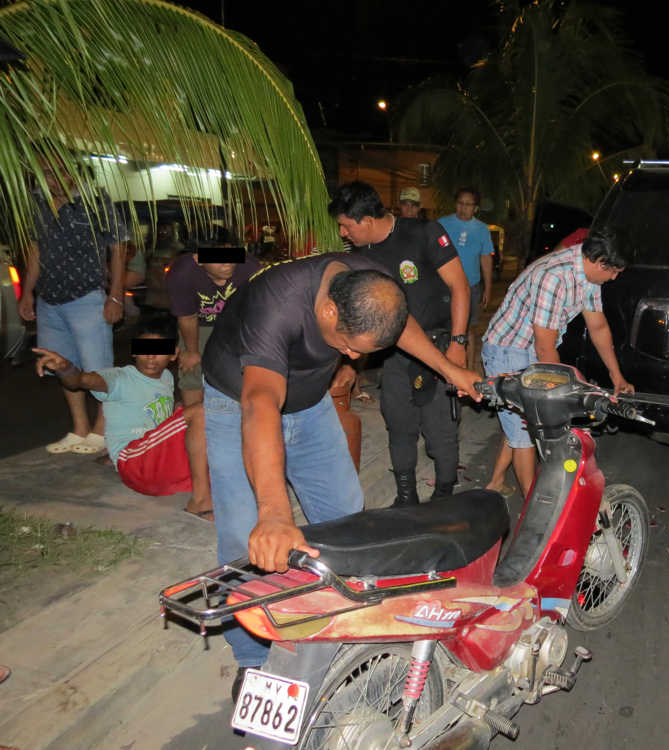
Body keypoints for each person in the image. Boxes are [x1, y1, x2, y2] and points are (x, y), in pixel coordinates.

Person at [200, 252, 479, 695]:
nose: (350, 356)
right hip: (239, 401)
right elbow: (260, 404)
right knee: (244, 537)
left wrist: (449, 369)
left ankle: (341, 628)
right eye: (349, 344)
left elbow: (398, 323)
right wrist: (274, 513)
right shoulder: (279, 302)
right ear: (329, 310)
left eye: (362, 350)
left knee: (348, 514)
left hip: (310, 404)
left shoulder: (374, 283)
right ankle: (252, 659)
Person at [332, 181, 471, 506]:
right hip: (393, 354)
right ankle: (405, 496)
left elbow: (460, 287)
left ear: (365, 220)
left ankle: (443, 498)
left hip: (439, 347)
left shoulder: (424, 232)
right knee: (399, 425)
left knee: (441, 432)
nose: (343, 233)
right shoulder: (359, 254)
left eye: (346, 225)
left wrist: (458, 342)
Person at [481, 228, 634, 496]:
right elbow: (545, 348)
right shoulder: (554, 276)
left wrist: (616, 376)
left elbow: (598, 328)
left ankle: (495, 481)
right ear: (599, 262)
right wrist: (568, 386)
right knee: (524, 432)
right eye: (613, 272)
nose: (614, 278)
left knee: (521, 417)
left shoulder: (588, 276)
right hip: (509, 349)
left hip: (533, 346)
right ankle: (534, 512)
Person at [31, 317, 212, 514]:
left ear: (174, 354)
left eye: (160, 349)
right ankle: (201, 502)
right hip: (135, 464)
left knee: (210, 416)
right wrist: (66, 369)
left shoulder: (166, 378)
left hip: (156, 466)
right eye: (144, 348)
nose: (150, 356)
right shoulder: (119, 378)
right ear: (134, 350)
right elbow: (81, 380)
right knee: (199, 411)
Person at [17, 161, 129, 455]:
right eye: (49, 173)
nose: (55, 180)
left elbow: (118, 248)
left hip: (87, 298)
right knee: (61, 366)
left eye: (61, 172)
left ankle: (102, 431)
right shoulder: (36, 204)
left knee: (99, 368)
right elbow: (35, 251)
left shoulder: (96, 201)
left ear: (75, 172)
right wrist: (27, 293)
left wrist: (115, 296)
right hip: (49, 301)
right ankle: (79, 429)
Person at [166, 244, 260, 408]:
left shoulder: (250, 267)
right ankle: (193, 418)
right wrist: (192, 352)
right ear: (198, 258)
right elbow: (187, 317)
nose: (228, 263)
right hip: (199, 323)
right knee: (191, 366)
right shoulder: (181, 273)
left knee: (248, 366)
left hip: (237, 322)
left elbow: (259, 310)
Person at [437, 187, 494, 372]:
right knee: (442, 328)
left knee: (468, 330)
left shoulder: (482, 229)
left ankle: (468, 370)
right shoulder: (442, 224)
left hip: (471, 287)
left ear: (476, 208)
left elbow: (485, 259)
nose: (463, 208)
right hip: (444, 286)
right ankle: (442, 368)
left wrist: (488, 288)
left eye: (469, 205)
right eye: (461, 203)